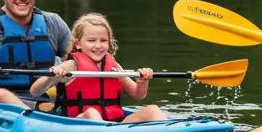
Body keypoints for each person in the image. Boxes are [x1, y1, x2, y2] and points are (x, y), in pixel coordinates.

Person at [30, 12, 166, 123]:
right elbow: (34, 92)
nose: (98, 45)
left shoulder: (114, 67)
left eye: (103, 40)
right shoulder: (72, 65)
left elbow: (138, 95)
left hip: (114, 125)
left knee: (153, 110)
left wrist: (143, 82)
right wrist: (51, 76)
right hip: (78, 123)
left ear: (109, 42)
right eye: (91, 40)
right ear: (78, 44)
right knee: (92, 113)